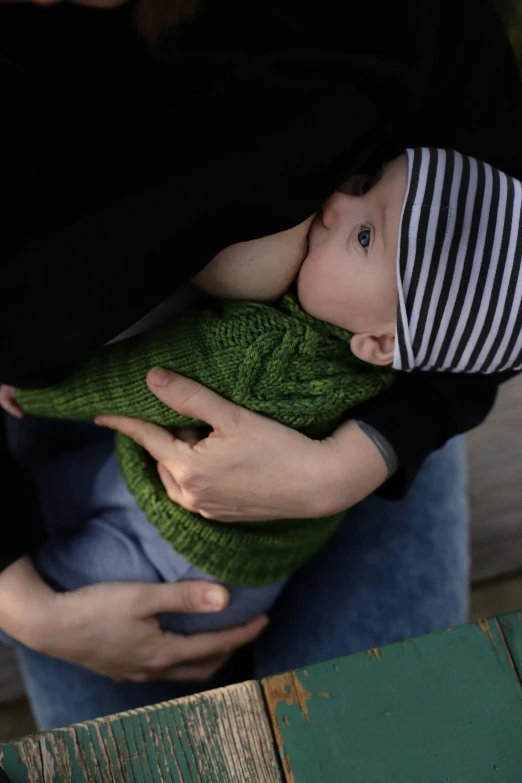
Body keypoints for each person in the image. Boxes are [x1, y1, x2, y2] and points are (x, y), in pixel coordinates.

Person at [0, 0, 521, 729]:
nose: (338, 204)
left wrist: (349, 464)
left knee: (375, 741)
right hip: (82, 464)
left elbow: (496, 273)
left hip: (371, 435)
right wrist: (20, 600)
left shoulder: (403, 30)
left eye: (365, 200)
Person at [1, 145, 521, 636]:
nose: (337, 202)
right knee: (51, 499)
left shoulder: (267, 349)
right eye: (367, 182)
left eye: (364, 236)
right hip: (229, 545)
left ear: (380, 344)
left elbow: (132, 380)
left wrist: (28, 386)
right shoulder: (370, 362)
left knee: (60, 585)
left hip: (175, 559)